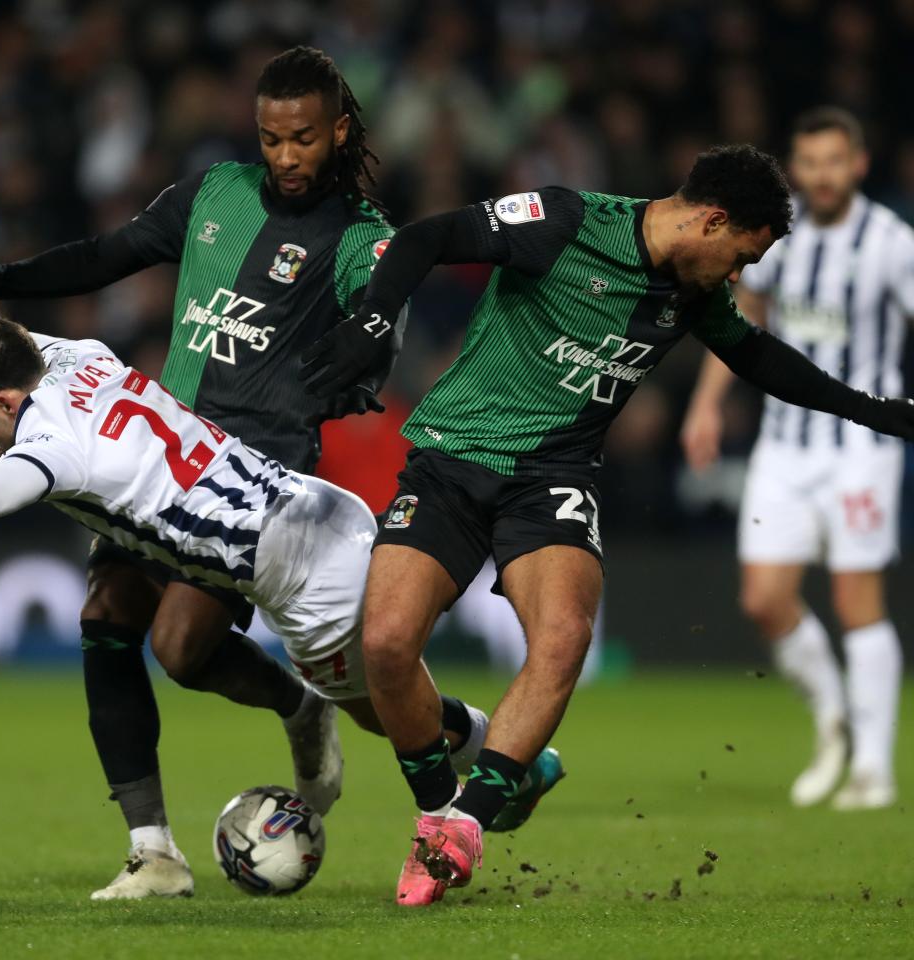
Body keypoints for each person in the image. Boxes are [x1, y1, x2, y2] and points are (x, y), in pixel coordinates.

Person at [0, 47, 402, 899]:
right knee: (105, 617)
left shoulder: (361, 236)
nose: (286, 156)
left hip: (249, 474)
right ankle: (155, 853)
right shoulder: (215, 195)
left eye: (302, 139)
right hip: (154, 452)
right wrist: (6, 279)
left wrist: (364, 357)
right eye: (270, 138)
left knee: (180, 650)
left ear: (338, 132)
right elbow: (110, 253)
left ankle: (307, 706)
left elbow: (383, 318)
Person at [300, 144, 914, 906]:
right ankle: (439, 810)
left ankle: (464, 824)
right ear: (711, 220)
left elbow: (759, 358)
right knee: (387, 645)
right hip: (452, 459)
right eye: (741, 257)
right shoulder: (565, 221)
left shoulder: (691, 293)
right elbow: (427, 237)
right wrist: (371, 320)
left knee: (563, 637)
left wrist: (873, 411)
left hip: (552, 480)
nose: (737, 277)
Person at [0, 317, 558, 885]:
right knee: (373, 701)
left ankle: (488, 789)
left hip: (303, 575)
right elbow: (12, 334)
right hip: (313, 507)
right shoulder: (78, 356)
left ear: (7, 403)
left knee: (388, 713)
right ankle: (510, 765)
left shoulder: (52, 448)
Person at [682, 109, 913, 811]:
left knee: (855, 599)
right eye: (809, 162)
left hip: (862, 448)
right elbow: (742, 321)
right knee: (763, 598)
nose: (821, 175)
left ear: (858, 164)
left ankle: (872, 766)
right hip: (784, 442)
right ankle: (834, 718)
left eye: (833, 161)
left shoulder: (892, 243)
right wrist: (706, 403)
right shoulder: (779, 238)